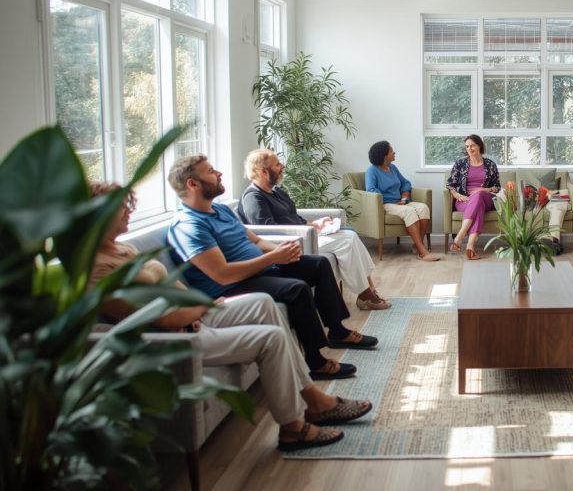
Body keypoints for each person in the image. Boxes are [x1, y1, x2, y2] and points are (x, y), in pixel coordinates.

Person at [88, 182, 372, 451]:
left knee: (264, 303)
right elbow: (152, 319)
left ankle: (314, 391)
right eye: (120, 207)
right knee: (274, 331)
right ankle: (295, 425)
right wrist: (198, 309)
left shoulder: (123, 247)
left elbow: (175, 287)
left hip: (193, 314)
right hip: (172, 337)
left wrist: (194, 307)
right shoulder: (95, 268)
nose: (129, 210)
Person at [165, 154, 379, 380]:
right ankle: (315, 362)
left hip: (260, 269)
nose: (218, 173)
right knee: (296, 289)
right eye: (210, 171)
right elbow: (223, 275)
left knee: (318, 264)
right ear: (192, 184)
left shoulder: (221, 210)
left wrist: (280, 251)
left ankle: (337, 331)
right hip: (234, 286)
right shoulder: (189, 225)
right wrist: (272, 258)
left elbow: (256, 240)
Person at [238, 149, 390, 310]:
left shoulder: (276, 192)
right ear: (263, 171)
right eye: (277, 164)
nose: (282, 166)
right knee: (345, 242)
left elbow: (293, 217)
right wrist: (306, 230)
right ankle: (366, 295)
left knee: (350, 234)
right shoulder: (253, 198)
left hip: (305, 235)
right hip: (291, 243)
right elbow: (268, 232)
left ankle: (368, 290)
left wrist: (315, 224)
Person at [364, 141, 440, 261]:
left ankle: (416, 246)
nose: (394, 152)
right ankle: (423, 252)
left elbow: (405, 183)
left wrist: (404, 198)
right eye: (391, 150)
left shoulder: (392, 168)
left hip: (400, 202)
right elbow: (371, 190)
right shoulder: (372, 171)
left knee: (423, 208)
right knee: (409, 211)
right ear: (384, 155)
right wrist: (392, 202)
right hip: (385, 204)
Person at [445, 134, 501, 260]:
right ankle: (470, 247)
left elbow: (497, 187)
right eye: (467, 146)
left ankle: (459, 237)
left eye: (472, 146)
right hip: (464, 200)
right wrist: (457, 195)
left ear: (479, 146)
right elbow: (450, 184)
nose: (469, 149)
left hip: (486, 198)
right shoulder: (460, 163)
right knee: (478, 206)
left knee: (479, 195)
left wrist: (483, 189)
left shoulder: (490, 164)